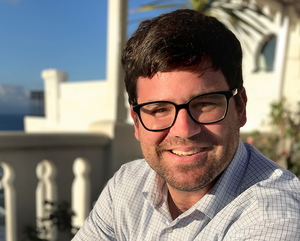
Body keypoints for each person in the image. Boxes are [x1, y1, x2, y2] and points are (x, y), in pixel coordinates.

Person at [72, 9, 300, 240]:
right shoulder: (126, 184)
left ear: (239, 107)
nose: (184, 130)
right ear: (137, 121)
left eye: (204, 104)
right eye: (159, 109)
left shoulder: (273, 217)